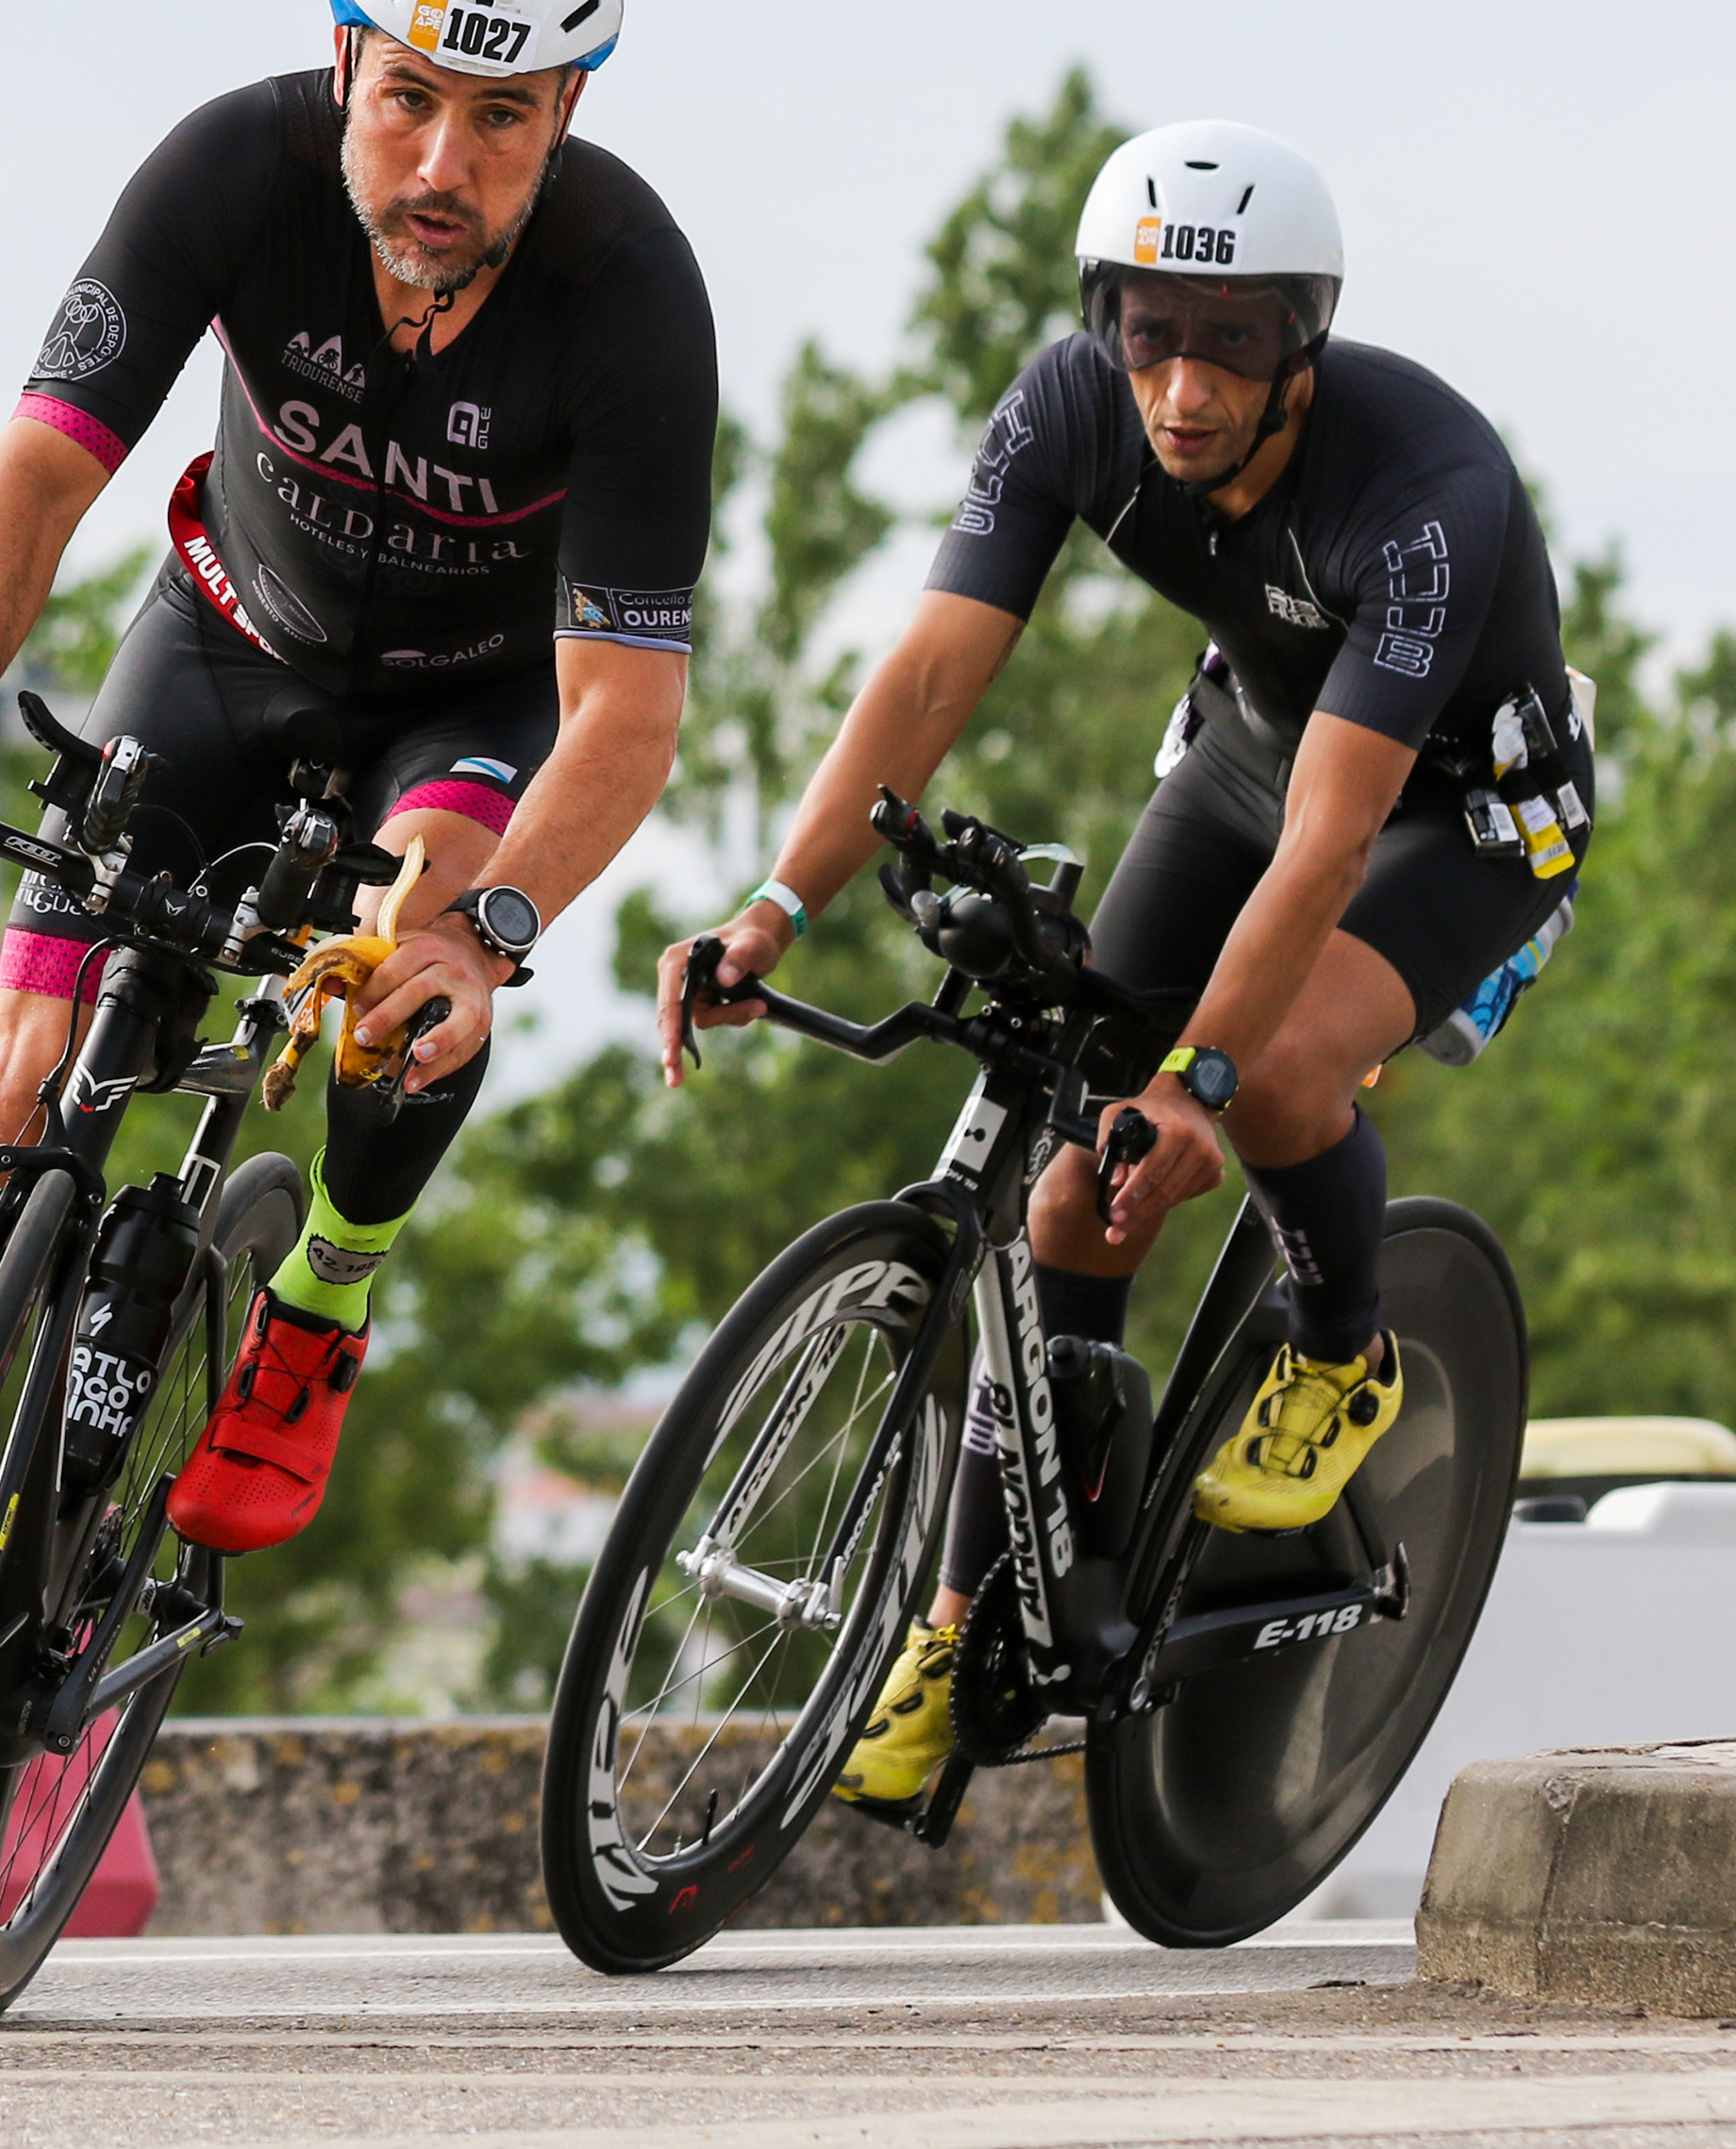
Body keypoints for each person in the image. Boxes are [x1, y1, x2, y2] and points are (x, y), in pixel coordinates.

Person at [0, 0, 717, 1864]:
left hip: (465, 712)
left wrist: (495, 929)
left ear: (569, 111)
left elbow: (624, 709)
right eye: (408, 96)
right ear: (341, 62)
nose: (442, 161)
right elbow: (37, 462)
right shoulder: (232, 170)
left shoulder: (631, 293)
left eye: (502, 117)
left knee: (410, 957)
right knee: (11, 1094)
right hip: (221, 649)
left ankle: (323, 1291)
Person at [654, 121, 1591, 1811]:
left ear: (1302, 341)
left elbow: (1331, 846)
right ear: (1106, 322)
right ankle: (968, 1624)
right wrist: (775, 907)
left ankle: (1345, 1346)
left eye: (1231, 343)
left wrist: (1201, 1082)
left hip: (1458, 810)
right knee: (1073, 1194)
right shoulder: (1069, 406)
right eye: (1151, 334)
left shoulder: (1425, 493)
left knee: (1274, 1072)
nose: (1183, 385)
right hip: (1245, 754)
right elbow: (929, 678)